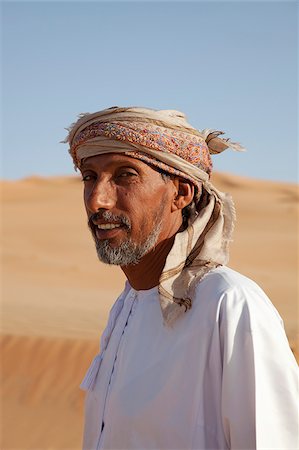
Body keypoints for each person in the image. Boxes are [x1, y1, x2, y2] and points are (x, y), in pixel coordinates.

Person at [64, 106, 298, 450]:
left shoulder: (229, 303)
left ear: (181, 193)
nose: (98, 200)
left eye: (125, 176)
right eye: (89, 176)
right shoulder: (127, 305)